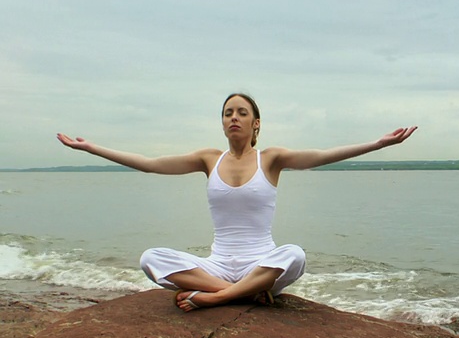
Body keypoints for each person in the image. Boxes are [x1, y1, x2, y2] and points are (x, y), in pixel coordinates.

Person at [57, 93, 417, 312]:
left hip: (261, 265)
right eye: (228, 113)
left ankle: (216, 298)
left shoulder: (271, 159)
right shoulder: (208, 159)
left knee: (295, 255)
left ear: (256, 123)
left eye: (242, 112)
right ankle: (239, 294)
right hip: (216, 267)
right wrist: (92, 148)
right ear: (222, 123)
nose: (234, 118)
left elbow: (322, 155)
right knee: (150, 259)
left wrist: (378, 144)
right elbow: (150, 165)